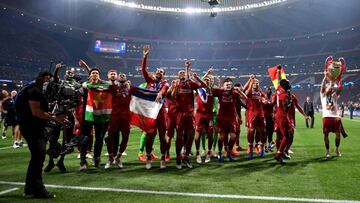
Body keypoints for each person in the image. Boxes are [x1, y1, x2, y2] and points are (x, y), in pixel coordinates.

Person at [16, 71, 65, 198]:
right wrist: (55, 118)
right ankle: (38, 188)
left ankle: (30, 189)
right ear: (43, 78)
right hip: (32, 127)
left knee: (37, 157)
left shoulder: (31, 88)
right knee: (38, 156)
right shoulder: (35, 90)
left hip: (30, 126)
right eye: (48, 79)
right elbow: (36, 112)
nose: (49, 83)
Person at [141, 46, 169, 169]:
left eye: (161, 72)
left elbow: (164, 89)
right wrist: (145, 56)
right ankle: (148, 157)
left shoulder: (165, 83)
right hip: (150, 112)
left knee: (163, 136)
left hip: (161, 112)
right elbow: (143, 69)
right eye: (158, 71)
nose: (159, 73)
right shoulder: (149, 81)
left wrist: (160, 93)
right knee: (149, 135)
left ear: (163, 75)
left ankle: (163, 157)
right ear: (154, 73)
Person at [80, 68, 112, 170]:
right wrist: (98, 88)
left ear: (99, 75)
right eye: (93, 73)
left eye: (97, 73)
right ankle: (82, 160)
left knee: (99, 138)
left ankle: (96, 158)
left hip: (101, 115)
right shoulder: (86, 85)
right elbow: (85, 85)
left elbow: (112, 87)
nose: (95, 74)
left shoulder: (105, 85)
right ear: (90, 75)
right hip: (88, 115)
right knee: (86, 138)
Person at [212, 78, 247, 162]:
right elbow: (208, 90)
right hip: (222, 118)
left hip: (232, 118)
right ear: (223, 86)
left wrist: (239, 91)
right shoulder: (219, 92)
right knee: (222, 136)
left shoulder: (234, 93)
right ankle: (220, 153)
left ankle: (229, 152)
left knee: (233, 136)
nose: (229, 86)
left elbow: (245, 98)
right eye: (227, 85)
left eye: (230, 85)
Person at [105, 72, 132, 169]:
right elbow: (103, 86)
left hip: (126, 116)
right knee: (110, 137)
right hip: (115, 116)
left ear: (126, 78)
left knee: (125, 138)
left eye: (123, 75)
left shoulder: (130, 88)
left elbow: (143, 92)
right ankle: (110, 158)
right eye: (120, 75)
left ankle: (118, 157)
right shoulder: (113, 88)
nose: (121, 76)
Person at [320, 72, 346, 159]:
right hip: (326, 117)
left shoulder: (334, 96)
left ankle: (337, 150)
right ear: (326, 88)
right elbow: (322, 86)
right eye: (328, 85)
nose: (330, 86)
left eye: (331, 86)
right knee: (326, 135)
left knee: (338, 134)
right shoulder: (322, 95)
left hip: (335, 117)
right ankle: (327, 151)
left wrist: (339, 80)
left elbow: (340, 88)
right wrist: (324, 77)